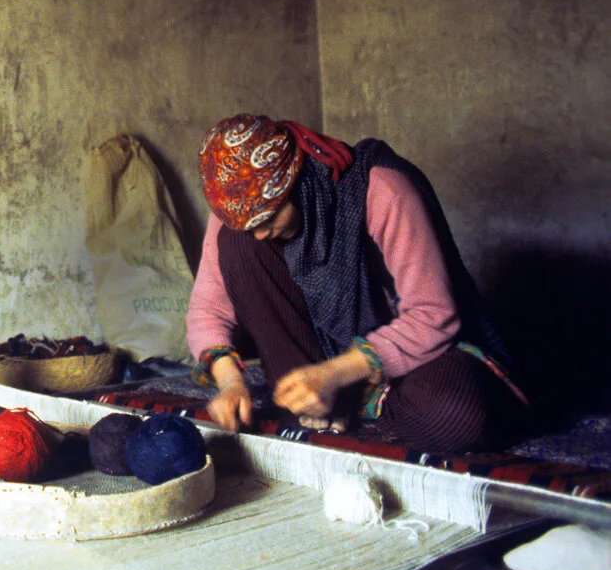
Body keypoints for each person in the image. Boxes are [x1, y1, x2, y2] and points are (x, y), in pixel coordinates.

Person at [184, 113, 527, 453]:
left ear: (296, 182)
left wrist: (335, 375)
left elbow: (434, 315)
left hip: (402, 357)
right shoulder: (238, 210)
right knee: (238, 242)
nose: (259, 232)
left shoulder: (382, 190)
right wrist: (231, 383)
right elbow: (207, 310)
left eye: (269, 216)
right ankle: (312, 399)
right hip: (314, 362)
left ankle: (343, 402)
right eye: (250, 222)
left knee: (457, 416)